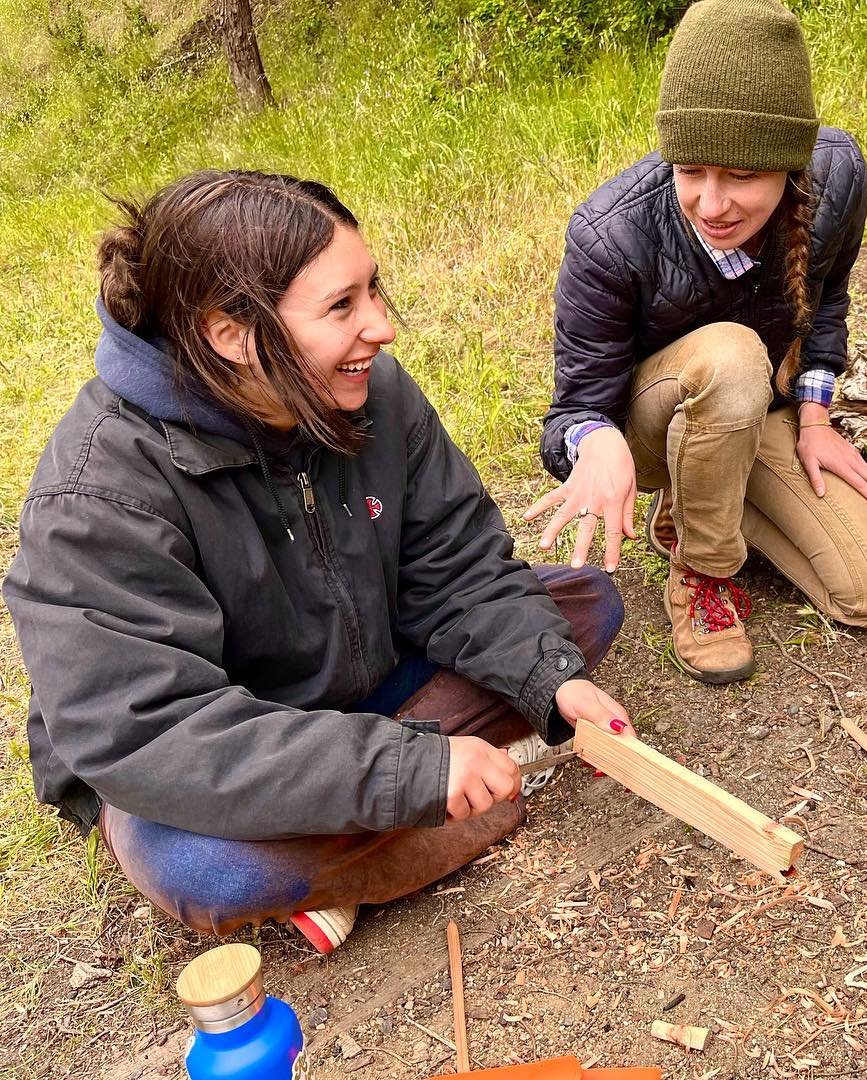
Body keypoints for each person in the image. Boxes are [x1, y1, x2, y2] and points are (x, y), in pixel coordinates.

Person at [3, 170, 632, 951]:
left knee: (583, 610)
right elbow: (155, 732)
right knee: (205, 867)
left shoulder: (367, 390)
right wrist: (411, 773)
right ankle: (416, 821)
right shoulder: (96, 497)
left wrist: (551, 679)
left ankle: (354, 846)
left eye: (372, 290)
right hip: (216, 747)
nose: (381, 326)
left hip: (356, 677)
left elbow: (458, 561)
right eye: (342, 306)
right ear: (229, 333)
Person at [527, 0, 867, 685]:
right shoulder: (608, 235)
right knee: (734, 356)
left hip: (754, 410)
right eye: (691, 171)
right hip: (652, 426)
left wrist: (817, 417)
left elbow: (828, 300)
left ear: (789, 163)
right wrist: (593, 442)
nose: (712, 204)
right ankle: (702, 566)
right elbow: (573, 410)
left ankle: (709, 494)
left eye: (742, 176)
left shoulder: (837, 180)